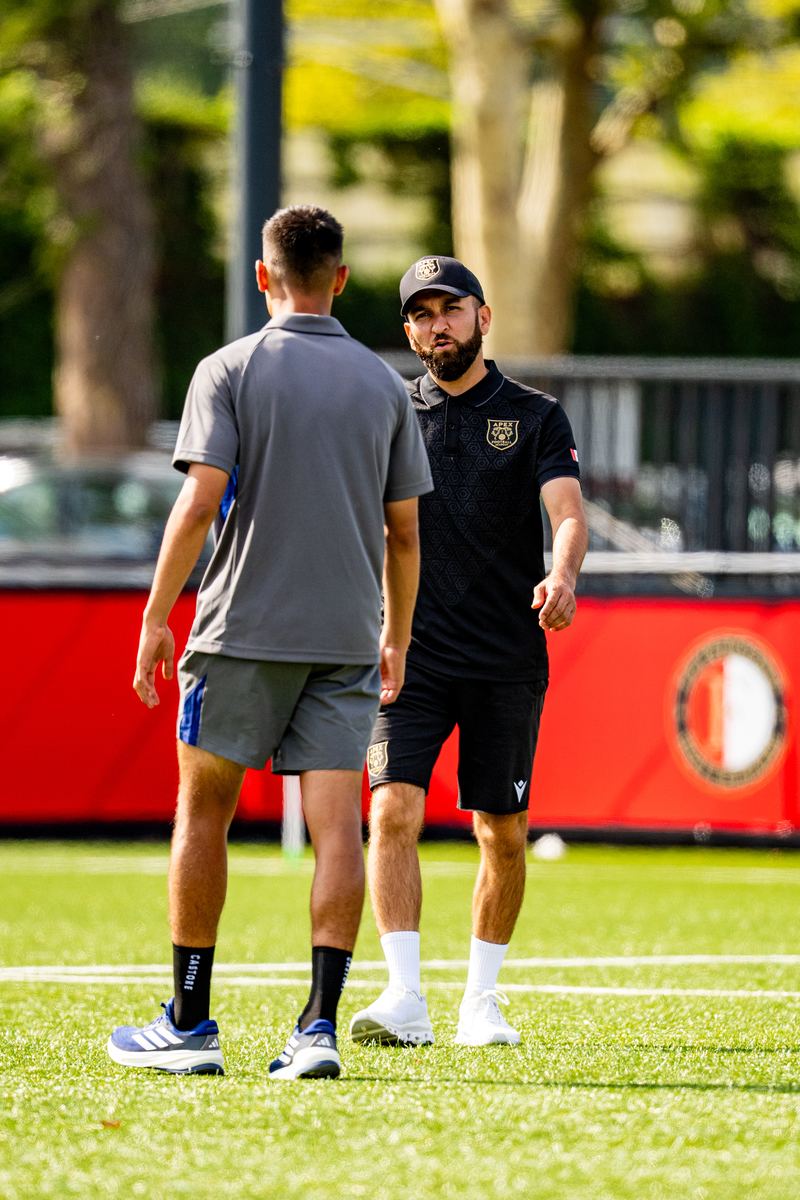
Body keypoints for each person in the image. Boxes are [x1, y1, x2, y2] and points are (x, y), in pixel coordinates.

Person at [106, 206, 433, 1081]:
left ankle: (188, 1021)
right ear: (341, 279)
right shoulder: (383, 387)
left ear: (263, 276)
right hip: (345, 638)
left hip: (240, 632)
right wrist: (394, 636)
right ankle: (317, 1029)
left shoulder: (229, 369)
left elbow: (199, 500)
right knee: (338, 831)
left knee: (203, 812)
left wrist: (154, 615)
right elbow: (406, 535)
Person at [349, 255, 588, 1047]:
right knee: (391, 810)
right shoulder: (388, 412)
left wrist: (561, 573)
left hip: (505, 657)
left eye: (450, 309)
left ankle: (481, 1002)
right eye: (420, 313)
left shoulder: (534, 414)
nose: (435, 325)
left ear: (483, 317)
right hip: (407, 656)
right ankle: (404, 996)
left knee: (503, 831)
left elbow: (570, 514)